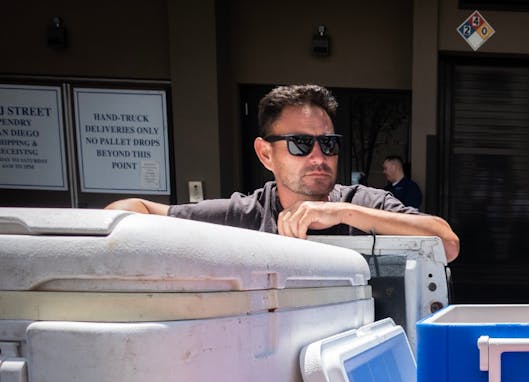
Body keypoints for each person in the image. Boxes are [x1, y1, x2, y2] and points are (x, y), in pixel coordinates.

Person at [106, 84, 459, 263]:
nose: (319, 156)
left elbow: (447, 242)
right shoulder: (242, 216)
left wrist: (340, 212)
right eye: (301, 143)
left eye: (329, 144)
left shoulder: (364, 204)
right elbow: (130, 209)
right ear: (265, 153)